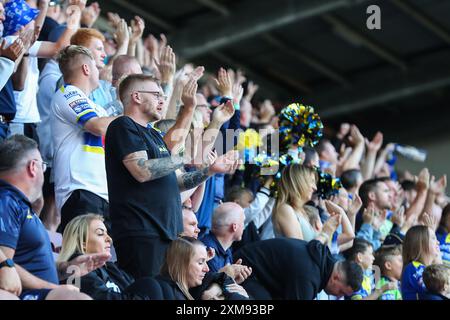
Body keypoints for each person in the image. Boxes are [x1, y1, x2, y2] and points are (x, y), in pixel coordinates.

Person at [105, 74, 239, 278]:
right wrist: (186, 156)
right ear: (137, 97)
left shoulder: (154, 135)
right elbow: (141, 171)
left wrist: (209, 171)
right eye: (156, 94)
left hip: (166, 234)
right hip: (142, 232)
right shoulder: (123, 125)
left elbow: (175, 183)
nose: (162, 99)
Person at [0, 135, 92, 300]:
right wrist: (55, 288)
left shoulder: (19, 205)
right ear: (33, 167)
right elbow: (5, 268)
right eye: (43, 166)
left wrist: (67, 268)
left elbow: (26, 264)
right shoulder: (6, 200)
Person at [51, 45, 117, 233]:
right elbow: (96, 126)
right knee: (81, 258)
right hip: (80, 190)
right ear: (86, 69)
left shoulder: (98, 108)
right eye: (96, 66)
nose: (100, 70)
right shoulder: (68, 93)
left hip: (102, 193)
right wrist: (130, 118)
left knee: (101, 261)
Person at [58, 214, 162, 300]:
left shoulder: (111, 269)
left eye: (107, 233)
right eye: (100, 233)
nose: (109, 239)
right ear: (82, 242)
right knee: (151, 286)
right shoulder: (76, 268)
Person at [234, 237, 363, 300]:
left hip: (257, 273)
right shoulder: (309, 276)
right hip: (243, 271)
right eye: (341, 292)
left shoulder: (321, 258)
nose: (339, 297)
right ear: (336, 278)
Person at [155, 236, 248, 300]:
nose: (206, 269)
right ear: (181, 263)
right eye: (200, 262)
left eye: (206, 261)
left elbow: (219, 277)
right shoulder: (159, 290)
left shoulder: (195, 288)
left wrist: (217, 288)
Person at [272, 164, 318, 240]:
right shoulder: (284, 209)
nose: (315, 188)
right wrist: (324, 234)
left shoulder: (303, 211)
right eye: (312, 181)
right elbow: (299, 249)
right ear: (298, 181)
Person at [200, 202, 245, 272]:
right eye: (243, 222)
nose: (243, 227)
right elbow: (213, 282)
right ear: (234, 227)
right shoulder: (207, 250)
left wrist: (233, 278)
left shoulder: (227, 250)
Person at [401, 225, 442, 300]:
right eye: (433, 238)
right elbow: (439, 290)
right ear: (421, 243)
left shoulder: (423, 268)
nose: (438, 242)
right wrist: (439, 264)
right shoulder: (413, 267)